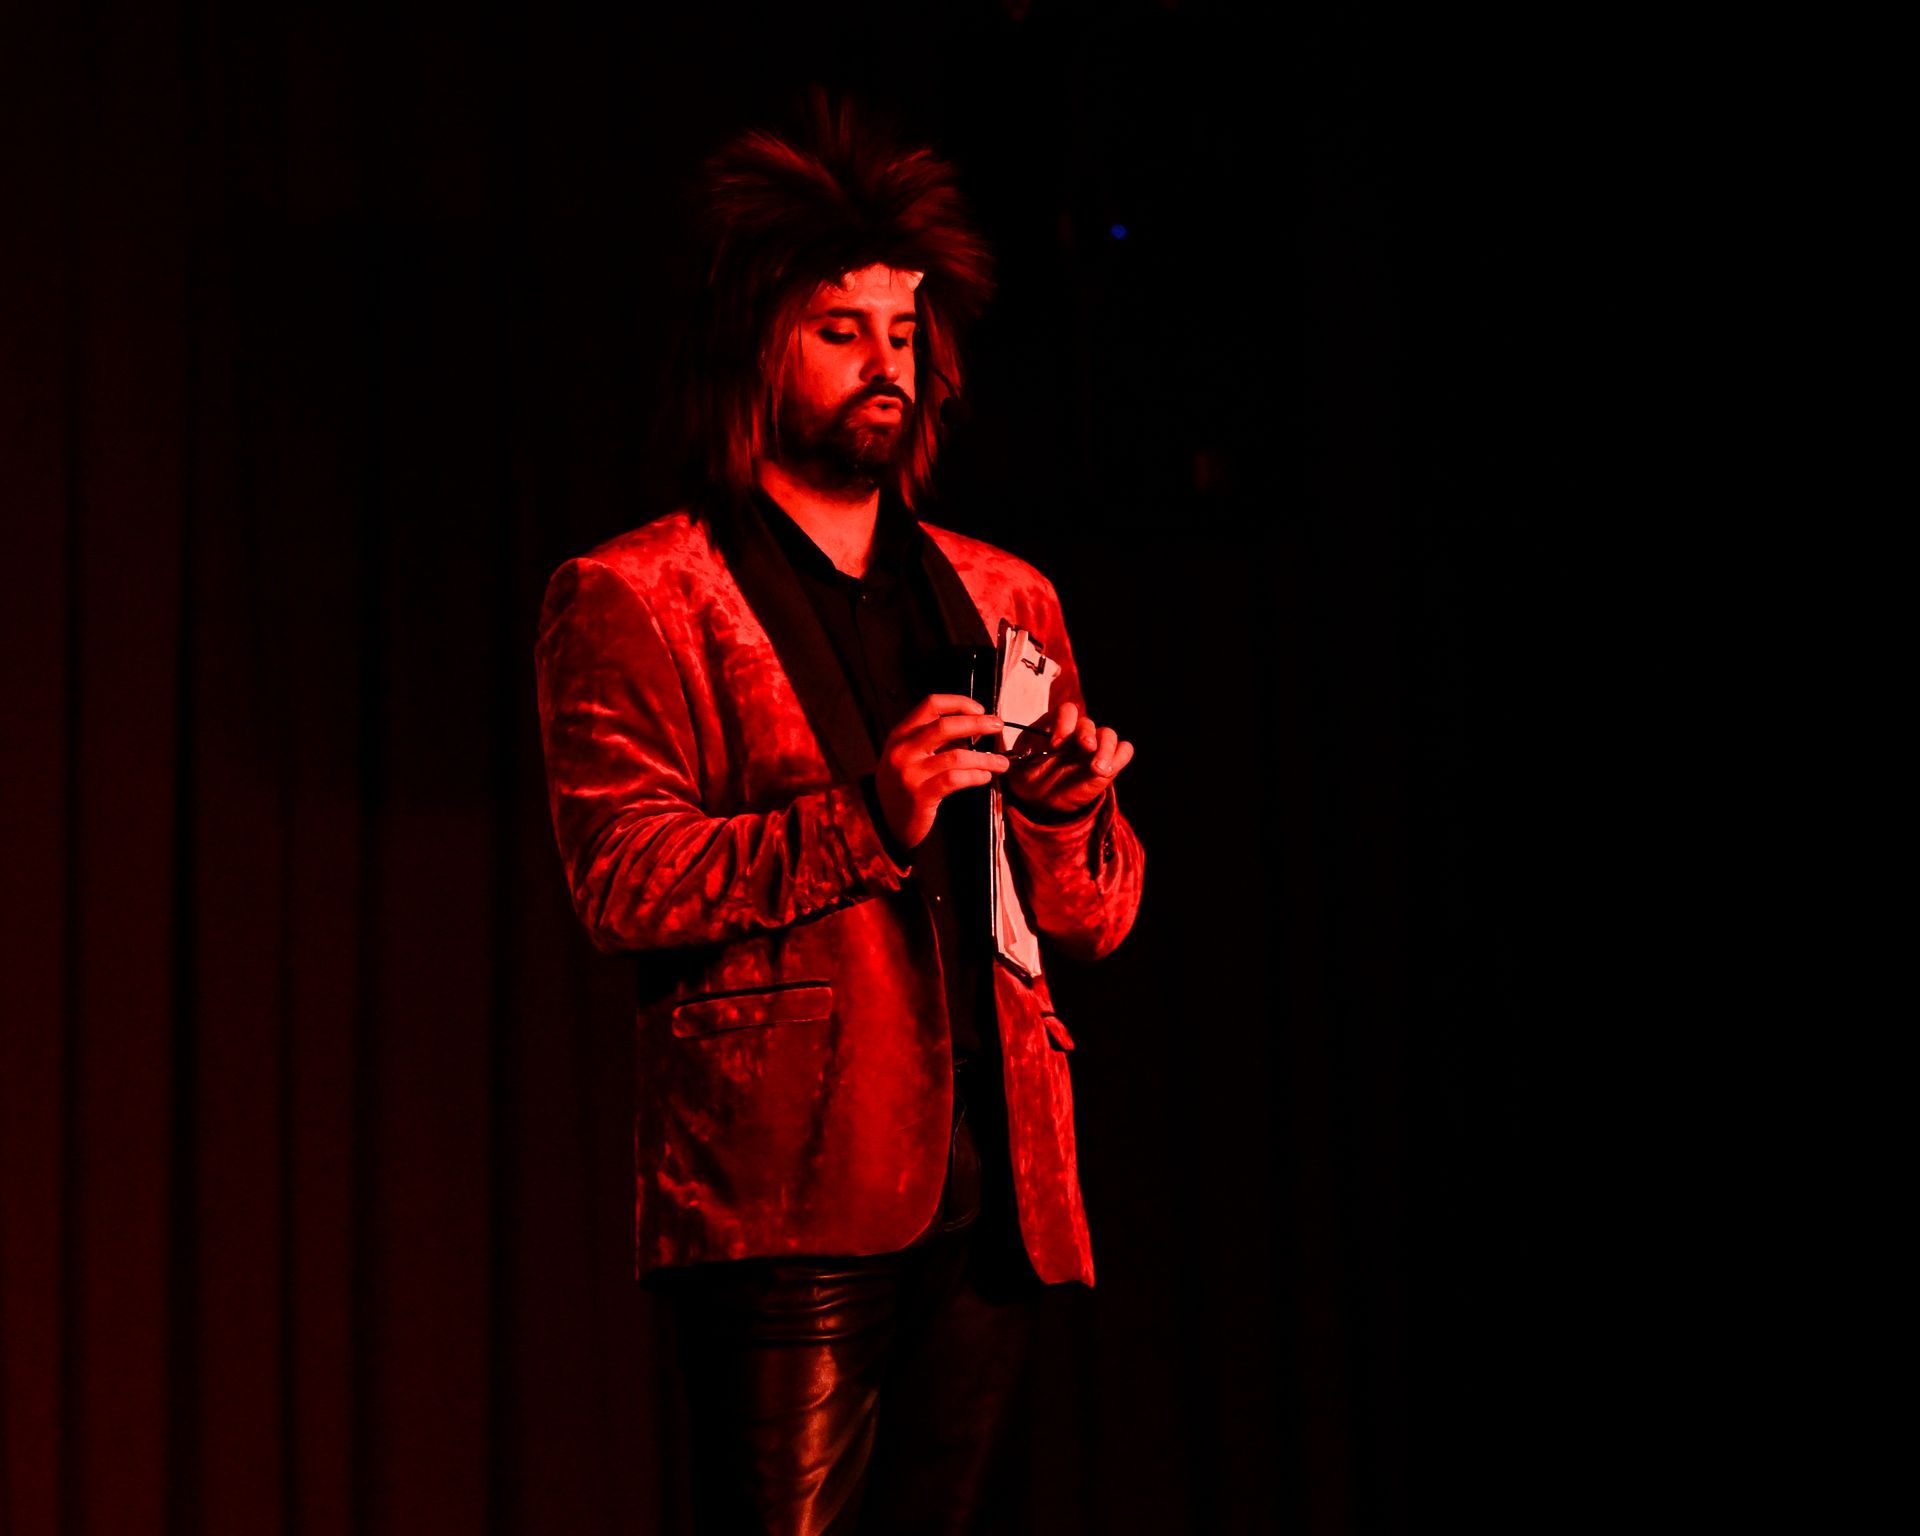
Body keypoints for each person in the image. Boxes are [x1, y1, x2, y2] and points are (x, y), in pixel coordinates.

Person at [534, 96, 1144, 1534]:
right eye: (841, 328)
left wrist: (1062, 817)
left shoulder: (1006, 595)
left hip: (999, 1193)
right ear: (759, 349)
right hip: (783, 1189)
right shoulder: (640, 598)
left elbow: (1094, 918)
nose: (886, 362)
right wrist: (868, 813)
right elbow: (623, 881)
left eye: (903, 329)